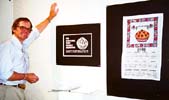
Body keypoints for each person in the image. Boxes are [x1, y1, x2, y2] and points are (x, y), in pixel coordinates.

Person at [0, 2, 59, 100]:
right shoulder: (7, 47)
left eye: (28, 29)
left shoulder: (22, 45)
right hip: (8, 91)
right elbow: (5, 74)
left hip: (17, 90)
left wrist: (50, 17)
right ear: (14, 29)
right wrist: (26, 76)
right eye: (22, 27)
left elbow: (35, 32)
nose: (26, 31)